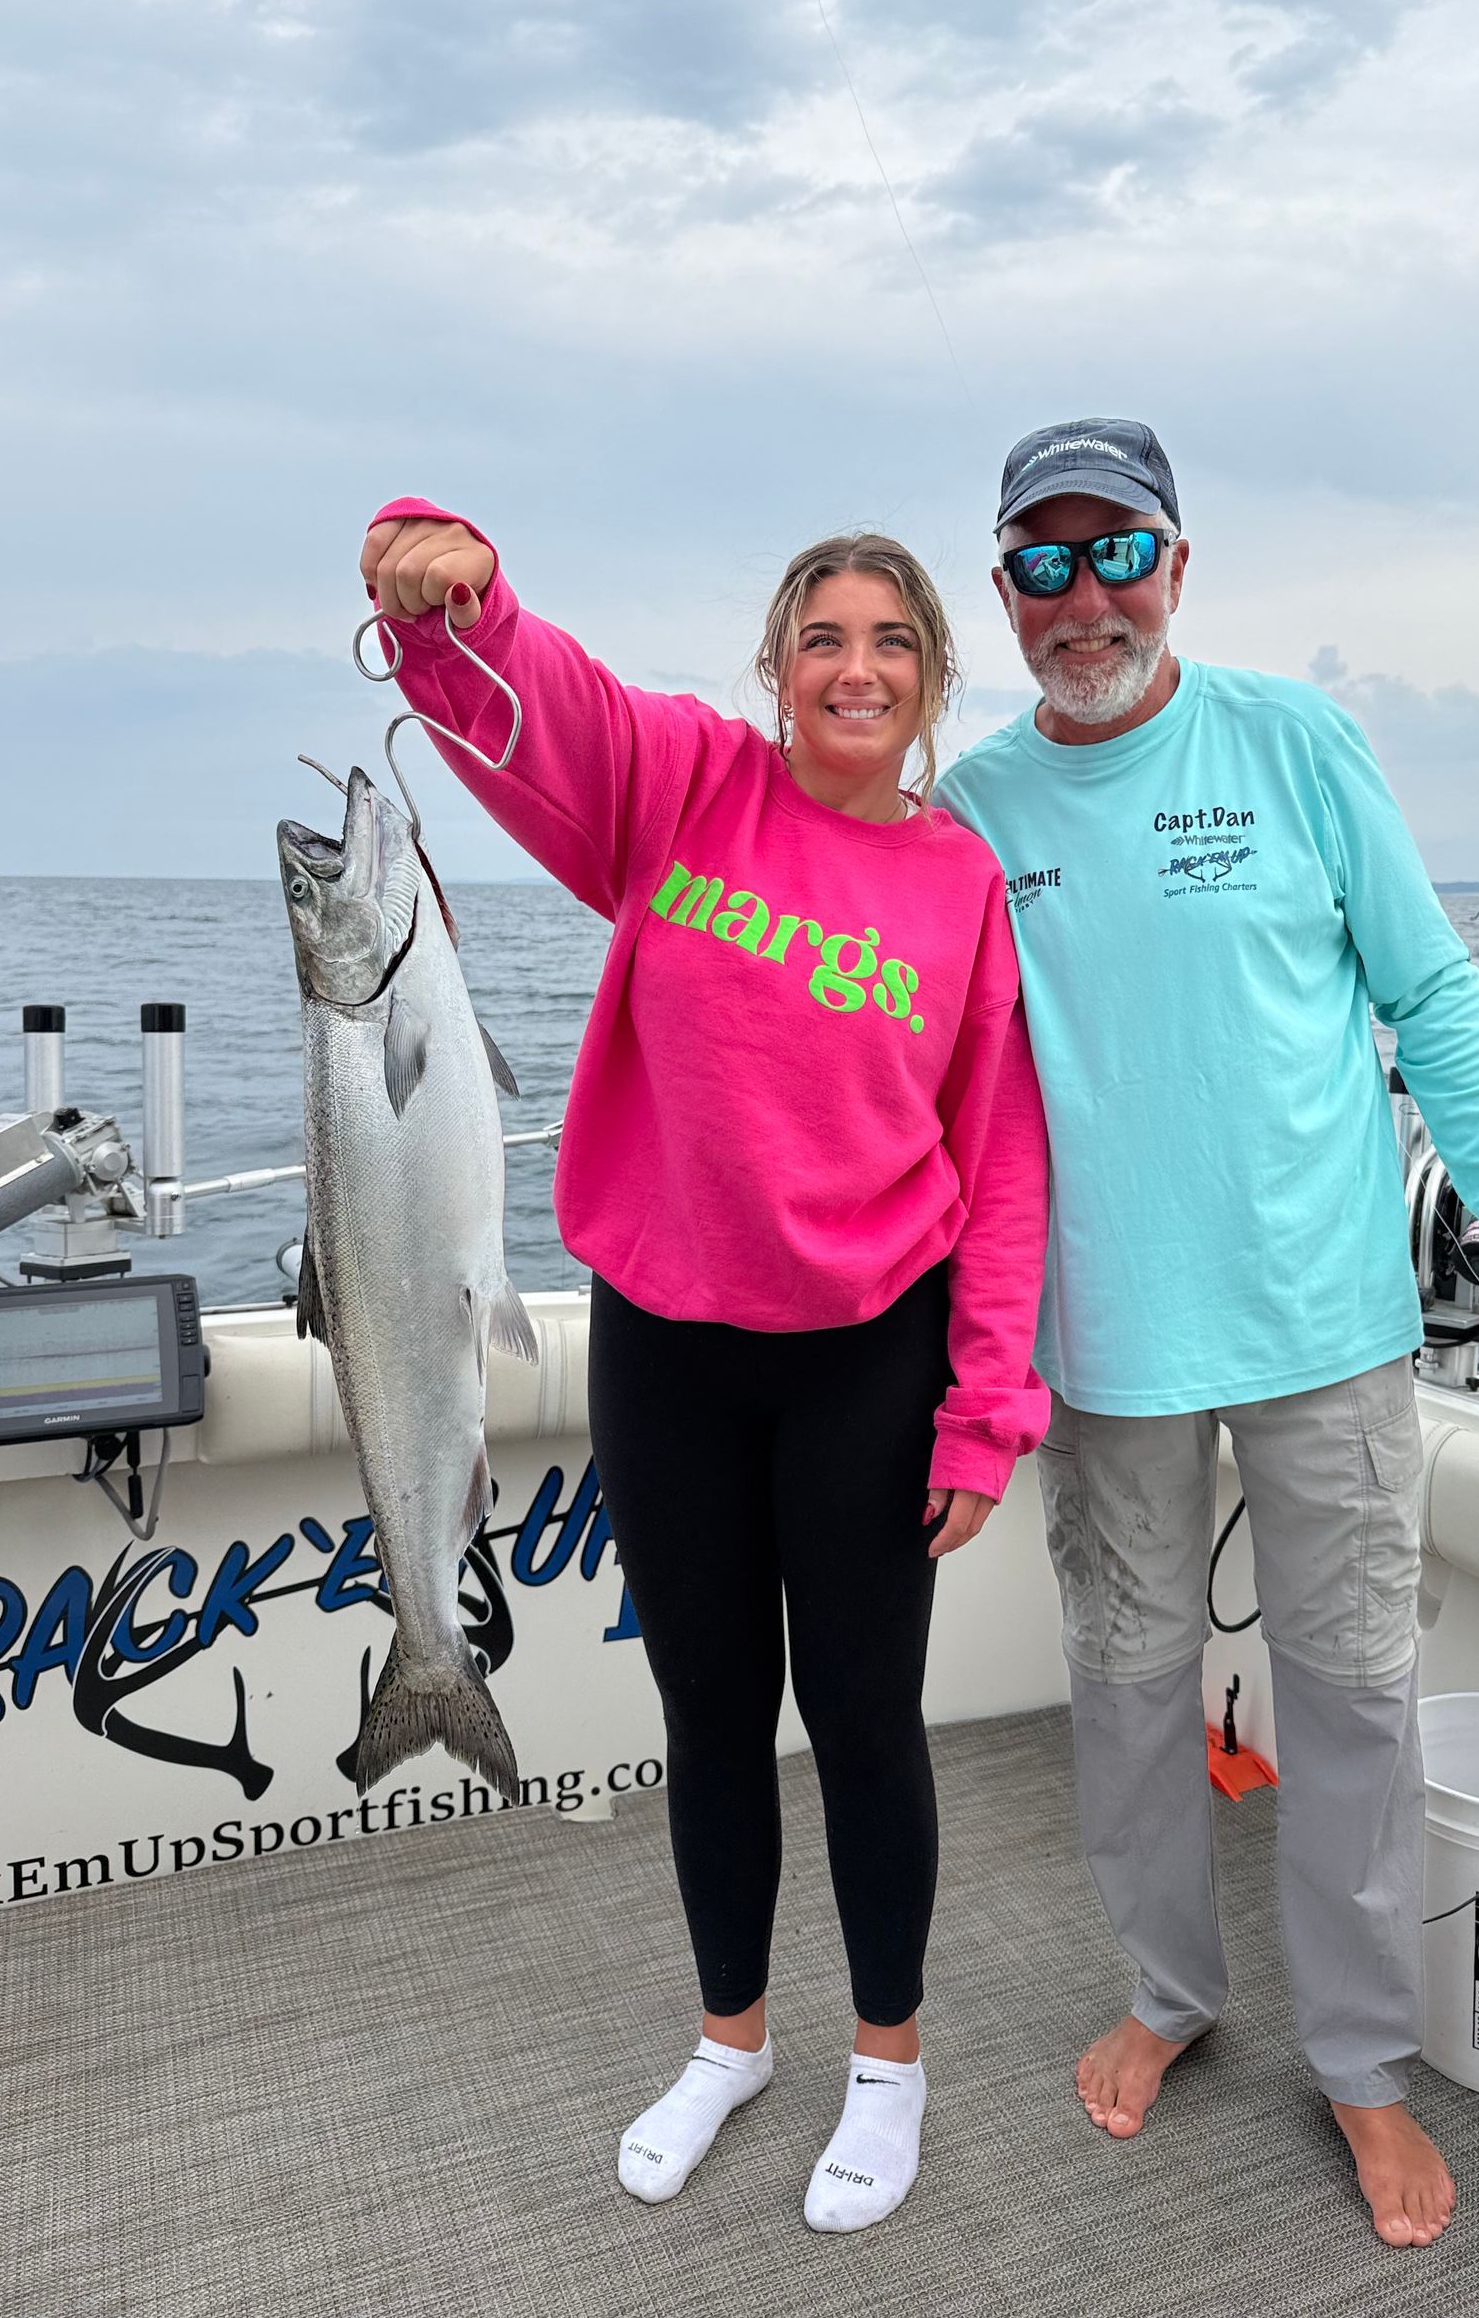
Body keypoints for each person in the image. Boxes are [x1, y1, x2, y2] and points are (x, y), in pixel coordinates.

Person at [358, 499, 1049, 2234]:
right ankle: (729, 2038)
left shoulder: (960, 884)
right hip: (667, 1353)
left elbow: (1003, 1159)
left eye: (893, 643)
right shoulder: (685, 796)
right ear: (778, 668)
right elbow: (540, 700)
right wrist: (452, 586)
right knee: (711, 1718)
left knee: (867, 1725)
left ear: (932, 681)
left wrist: (987, 1407)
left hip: (867, 1365)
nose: (857, 668)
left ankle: (887, 2064)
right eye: (824, 637)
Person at [934, 420, 1479, 2252]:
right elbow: (929, 1085)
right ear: (1003, 593)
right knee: (1130, 1690)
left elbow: (1433, 990)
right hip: (1103, 1345)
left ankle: (1365, 2065)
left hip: (1325, 1328)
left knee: (1356, 1697)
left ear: (1177, 560)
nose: (1084, 597)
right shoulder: (975, 811)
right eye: (1041, 564)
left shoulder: (1296, 743)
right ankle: (1171, 1989)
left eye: (1113, 550)